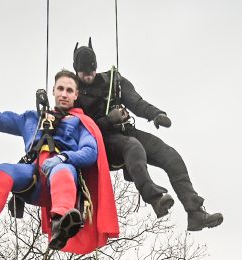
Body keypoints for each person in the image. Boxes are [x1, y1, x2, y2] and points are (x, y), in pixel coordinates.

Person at [0, 71, 118, 253]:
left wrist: (64, 157)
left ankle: (61, 221)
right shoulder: (32, 119)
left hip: (61, 183)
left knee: (62, 170)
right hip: (34, 180)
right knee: (3, 170)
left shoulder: (80, 123)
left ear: (76, 95)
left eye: (69, 90)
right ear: (53, 91)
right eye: (60, 89)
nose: (64, 94)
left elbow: (90, 151)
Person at [72, 40, 222, 232]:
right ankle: (155, 199)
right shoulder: (72, 90)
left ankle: (195, 212)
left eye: (91, 71)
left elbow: (136, 101)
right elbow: (78, 129)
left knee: (171, 156)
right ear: (76, 70)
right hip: (102, 142)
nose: (89, 76)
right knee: (133, 146)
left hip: (125, 131)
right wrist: (109, 120)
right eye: (84, 73)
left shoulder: (112, 80)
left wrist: (156, 114)